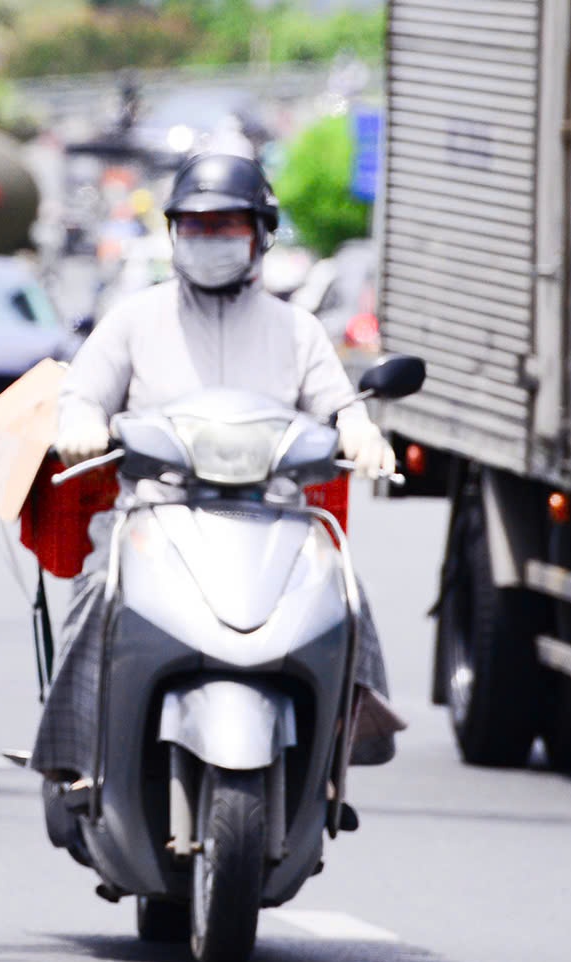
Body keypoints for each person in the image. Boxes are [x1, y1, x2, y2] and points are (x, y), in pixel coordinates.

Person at [34, 151, 402, 783]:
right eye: (196, 226)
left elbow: (339, 404)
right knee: (97, 594)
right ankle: (76, 761)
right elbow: (83, 395)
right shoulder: (134, 319)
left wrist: (360, 429)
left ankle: (337, 746)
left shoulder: (297, 329)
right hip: (154, 515)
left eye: (226, 225)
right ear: (174, 233)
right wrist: (81, 426)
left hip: (274, 518)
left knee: (342, 592)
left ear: (260, 234)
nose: (210, 239)